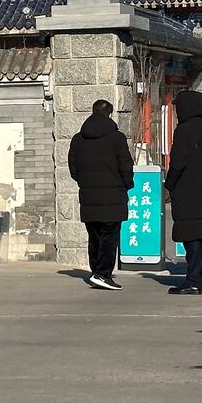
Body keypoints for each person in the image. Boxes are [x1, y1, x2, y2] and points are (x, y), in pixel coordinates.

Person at [68, 100, 134, 290]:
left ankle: (96, 271)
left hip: (89, 196)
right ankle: (103, 274)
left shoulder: (77, 139)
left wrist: (85, 183)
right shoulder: (117, 138)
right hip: (113, 196)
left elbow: (74, 168)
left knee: (94, 235)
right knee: (109, 235)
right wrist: (126, 184)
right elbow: (125, 165)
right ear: (110, 114)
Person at [165, 90, 202, 295]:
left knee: (193, 239)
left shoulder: (184, 130)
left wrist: (169, 184)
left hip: (188, 193)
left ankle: (193, 281)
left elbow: (178, 162)